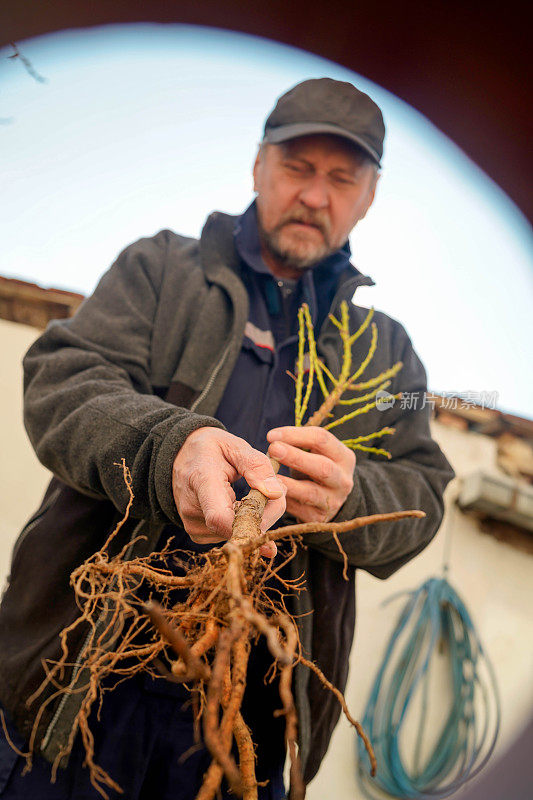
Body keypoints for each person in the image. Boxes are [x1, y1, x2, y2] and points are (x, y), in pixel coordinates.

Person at [0, 78, 454, 798]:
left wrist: (350, 492)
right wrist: (164, 448)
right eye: (297, 168)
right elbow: (63, 381)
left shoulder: (386, 352)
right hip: (84, 676)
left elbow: (423, 491)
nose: (314, 195)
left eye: (341, 179)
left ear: (367, 198)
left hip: (248, 720)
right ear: (256, 167)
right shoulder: (162, 270)